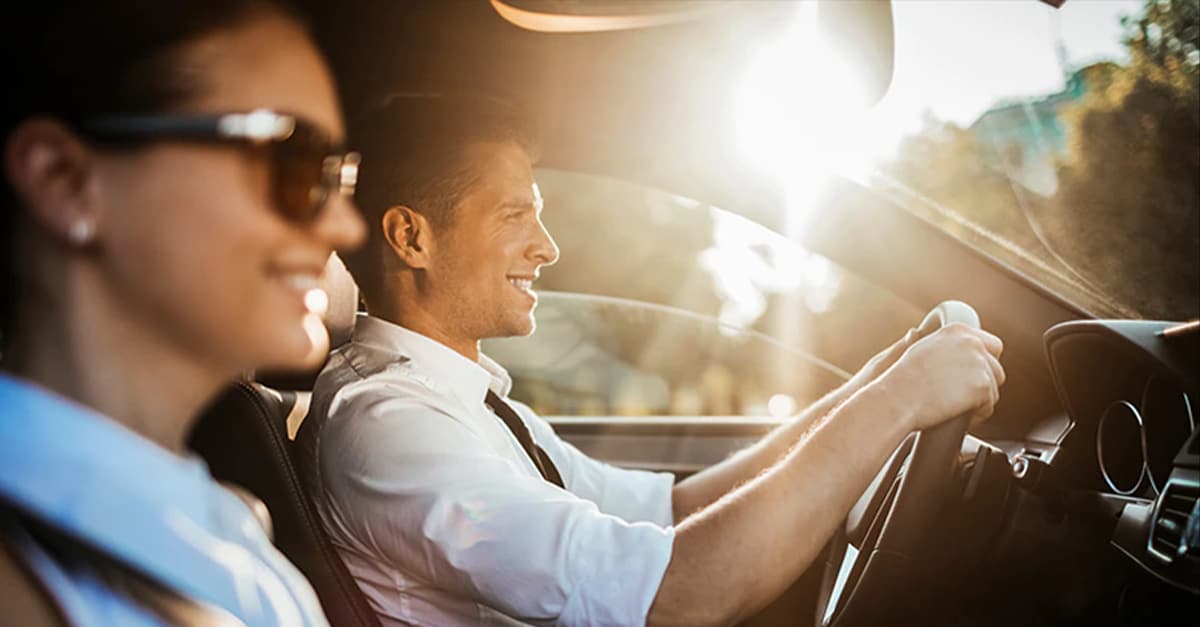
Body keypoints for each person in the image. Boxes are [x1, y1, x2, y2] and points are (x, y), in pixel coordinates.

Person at [302, 96, 1005, 626]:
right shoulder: (392, 426)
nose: (547, 246)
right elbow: (672, 590)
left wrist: (873, 386)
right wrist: (897, 405)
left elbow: (672, 508)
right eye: (515, 216)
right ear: (410, 238)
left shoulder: (466, 402)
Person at [0, 1, 366, 624]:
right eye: (293, 160)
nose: (344, 225)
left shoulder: (224, 527)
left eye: (341, 177)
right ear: (65, 181)